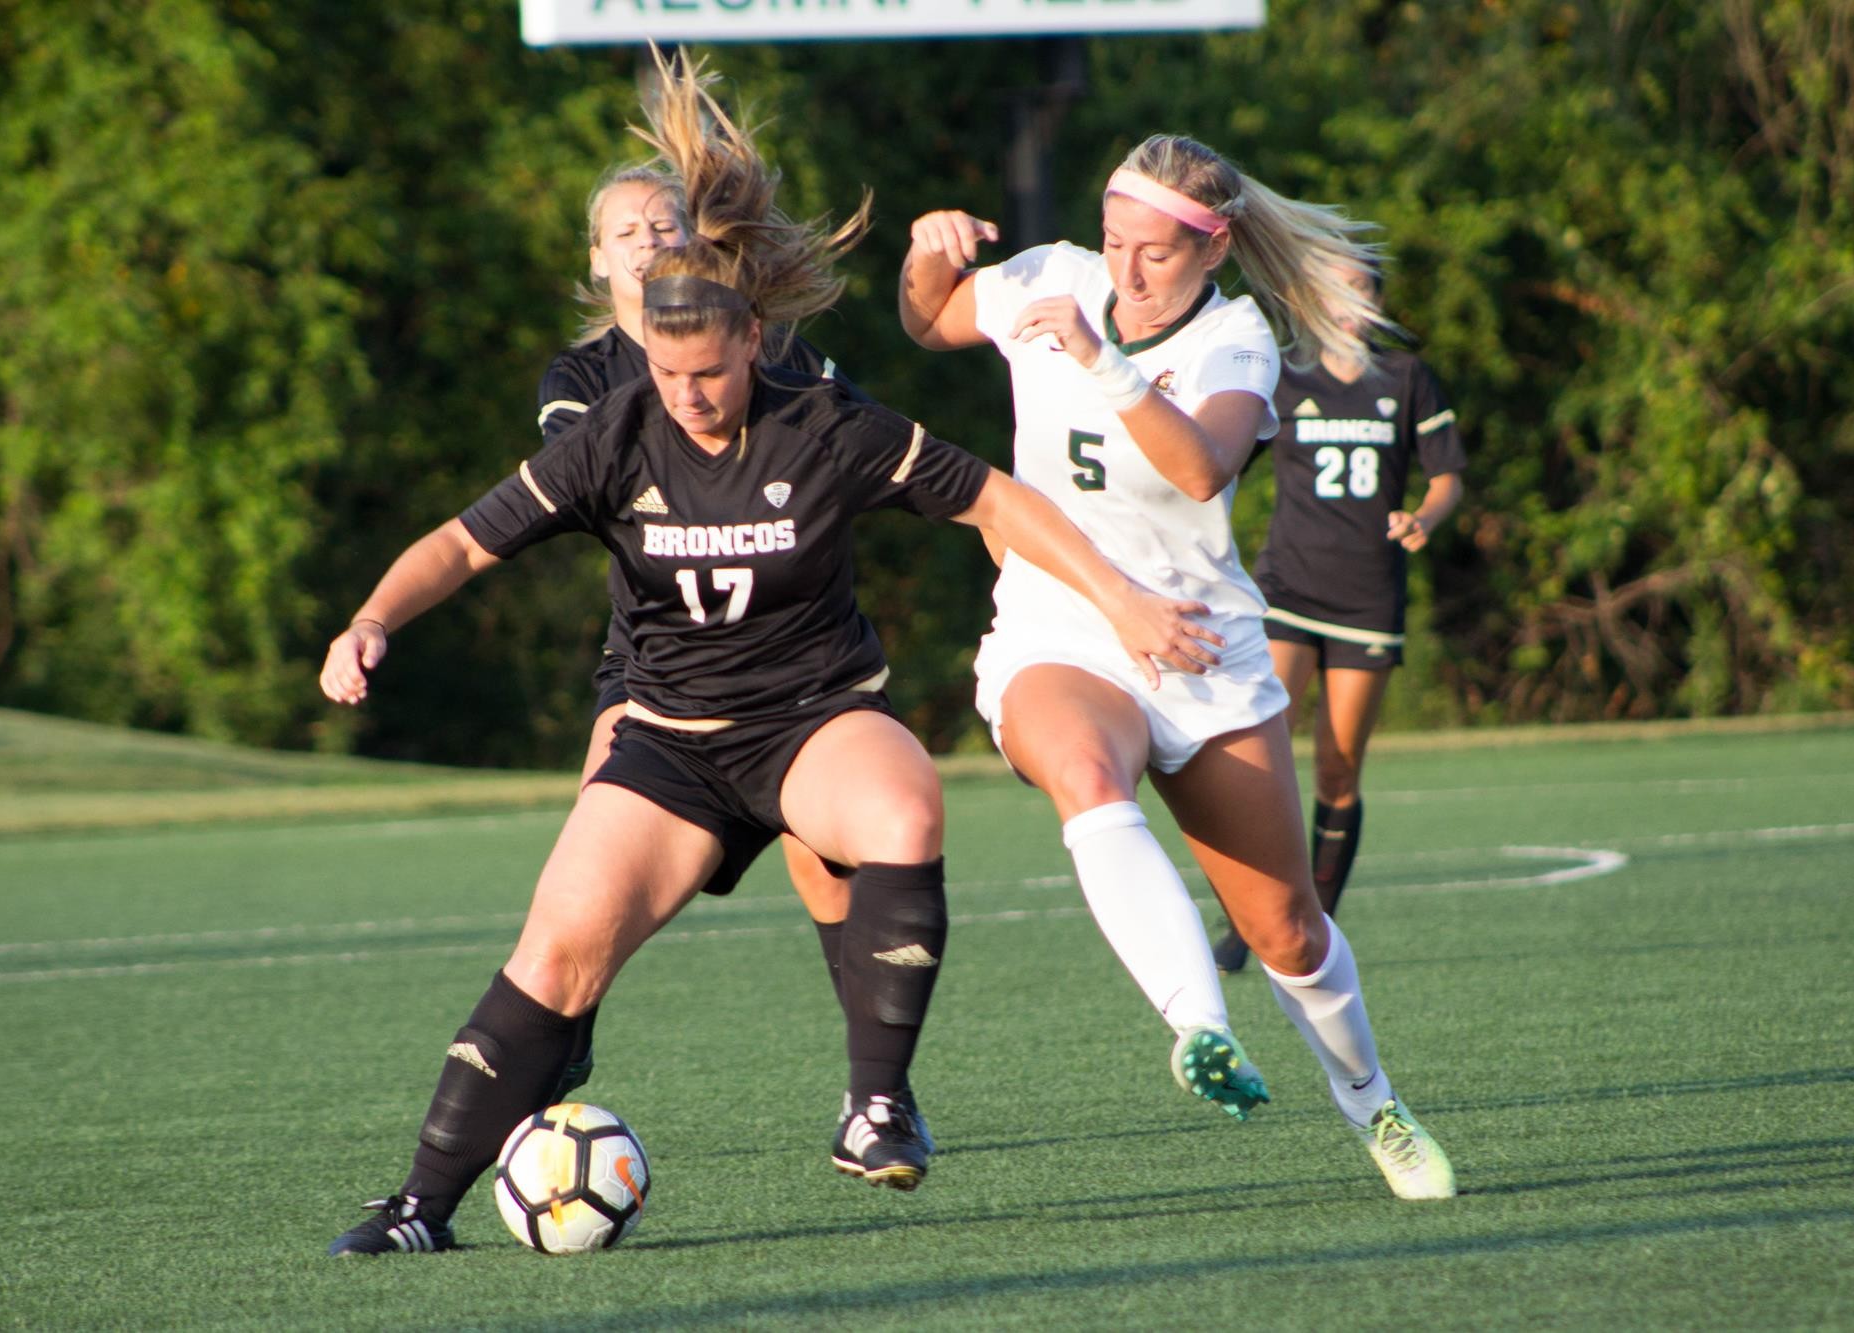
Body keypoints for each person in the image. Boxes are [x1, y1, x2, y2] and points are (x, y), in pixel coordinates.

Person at [318, 56, 1222, 1255]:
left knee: (903, 802)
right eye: (666, 372)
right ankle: (416, 1206)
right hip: (669, 742)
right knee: (554, 957)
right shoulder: (609, 432)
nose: (688, 396)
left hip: (806, 722)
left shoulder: (825, 421)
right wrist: (374, 616)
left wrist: (1118, 599)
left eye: (709, 371)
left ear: (754, 340)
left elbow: (997, 501)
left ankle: (877, 1109)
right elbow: (460, 543)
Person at [899, 134, 1456, 1200]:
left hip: (1197, 648)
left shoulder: (1236, 338)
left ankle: (1373, 1103)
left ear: (1210, 252)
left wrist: (1101, 360)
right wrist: (928, 254)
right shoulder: (1055, 277)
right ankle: (1197, 1025)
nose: (1122, 269)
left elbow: (1200, 467)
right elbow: (926, 318)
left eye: (1151, 252)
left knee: (1287, 928)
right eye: (1113, 240)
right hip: (1059, 628)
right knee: (1085, 777)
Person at [533, 147, 871, 1100]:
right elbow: (576, 481)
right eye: (625, 233)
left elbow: (863, 441)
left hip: (793, 661)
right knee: (600, 823)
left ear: (699, 240)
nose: (647, 244)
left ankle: (877, 1088)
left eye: (664, 225)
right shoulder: (584, 373)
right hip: (658, 663)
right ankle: (564, 1034)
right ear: (598, 261)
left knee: (826, 863)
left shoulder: (772, 348)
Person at [1209, 265, 1467, 973]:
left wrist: (1423, 516)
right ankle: (1247, 918)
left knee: (1336, 765)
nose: (1349, 304)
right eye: (1336, 290)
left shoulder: (1407, 378)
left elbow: (1448, 477)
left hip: (1366, 597)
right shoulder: (1284, 380)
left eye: (1363, 290)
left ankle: (1313, 925)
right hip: (1288, 588)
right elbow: (1219, 462)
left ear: (1379, 300)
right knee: (1253, 749)